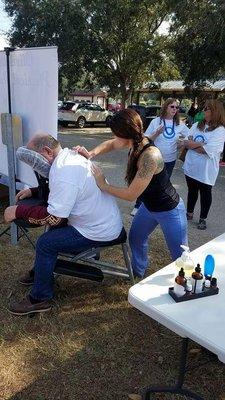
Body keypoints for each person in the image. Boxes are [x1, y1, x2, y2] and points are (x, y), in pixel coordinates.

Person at [4, 134, 123, 316]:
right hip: (103, 221)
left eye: (34, 157)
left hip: (99, 230)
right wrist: (33, 190)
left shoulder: (63, 170)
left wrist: (17, 212)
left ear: (47, 151)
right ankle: (40, 272)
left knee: (45, 243)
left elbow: (55, 217)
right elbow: (67, 189)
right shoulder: (68, 156)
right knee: (53, 233)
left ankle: (39, 298)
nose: (34, 164)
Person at [75, 109, 188, 279]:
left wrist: (103, 184)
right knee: (136, 238)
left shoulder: (150, 156)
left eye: (116, 134)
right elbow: (111, 144)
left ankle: (186, 282)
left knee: (181, 254)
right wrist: (91, 153)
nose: (114, 138)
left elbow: (130, 194)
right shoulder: (135, 142)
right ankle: (138, 273)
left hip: (170, 210)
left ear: (126, 134)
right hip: (149, 207)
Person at [130, 98, 189, 216]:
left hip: (170, 160)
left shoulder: (179, 125)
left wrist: (182, 144)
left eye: (176, 107)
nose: (174, 109)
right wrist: (157, 133)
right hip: (154, 158)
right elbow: (145, 140)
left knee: (162, 184)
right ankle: (138, 205)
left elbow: (190, 136)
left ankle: (154, 207)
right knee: (146, 182)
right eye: (172, 107)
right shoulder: (156, 121)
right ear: (165, 107)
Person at [182, 99, 225, 230]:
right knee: (192, 190)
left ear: (215, 111)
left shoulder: (220, 130)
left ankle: (203, 218)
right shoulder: (196, 125)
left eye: (206, 109)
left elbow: (210, 150)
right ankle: (189, 213)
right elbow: (186, 142)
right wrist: (202, 145)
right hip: (191, 166)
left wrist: (194, 145)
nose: (203, 110)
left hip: (207, 170)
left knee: (206, 193)